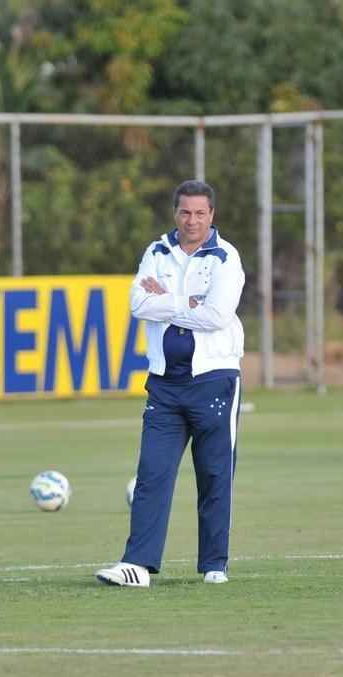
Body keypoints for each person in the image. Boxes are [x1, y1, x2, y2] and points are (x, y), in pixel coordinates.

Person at [96, 180, 245, 588]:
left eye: (200, 213)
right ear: (174, 213)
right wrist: (191, 303)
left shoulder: (225, 258)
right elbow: (137, 304)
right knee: (152, 472)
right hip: (163, 382)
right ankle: (138, 565)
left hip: (214, 379)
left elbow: (216, 316)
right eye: (185, 212)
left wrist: (168, 303)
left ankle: (214, 563)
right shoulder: (156, 251)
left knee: (214, 474)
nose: (192, 220)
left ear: (212, 215)